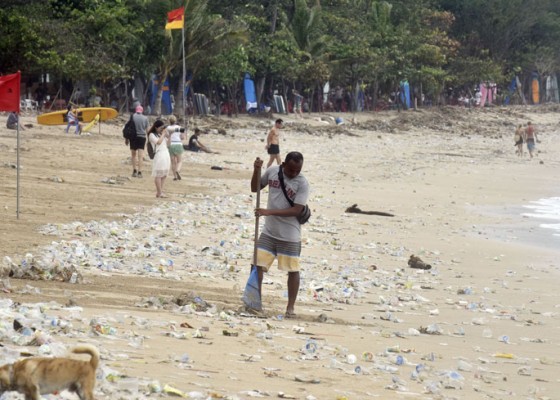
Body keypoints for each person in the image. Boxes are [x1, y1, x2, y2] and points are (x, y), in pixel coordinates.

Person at [251, 151, 310, 318]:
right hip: (269, 232)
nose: (293, 174)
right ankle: (256, 301)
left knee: (292, 270)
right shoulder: (272, 172)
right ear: (283, 164)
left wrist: (269, 212)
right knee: (256, 265)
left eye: (297, 170)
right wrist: (256, 170)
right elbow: (255, 188)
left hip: (290, 234)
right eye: (290, 170)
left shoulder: (302, 183)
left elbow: (296, 210)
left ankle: (290, 308)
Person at [148, 120, 171, 198]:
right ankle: (159, 192)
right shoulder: (151, 135)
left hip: (166, 154)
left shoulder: (161, 134)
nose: (162, 129)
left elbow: (168, 144)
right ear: (156, 127)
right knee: (158, 174)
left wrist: (169, 135)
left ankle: (160, 191)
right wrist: (163, 134)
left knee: (164, 174)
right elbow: (158, 142)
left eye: (162, 128)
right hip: (159, 154)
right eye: (160, 128)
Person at [126, 105, 148, 177]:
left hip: (133, 137)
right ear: (142, 111)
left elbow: (128, 128)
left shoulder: (132, 117)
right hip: (142, 137)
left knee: (133, 155)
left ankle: (134, 170)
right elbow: (147, 130)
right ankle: (140, 172)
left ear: (136, 110)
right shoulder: (145, 118)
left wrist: (127, 139)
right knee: (140, 156)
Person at [166, 115, 185, 180]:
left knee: (173, 161)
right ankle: (178, 170)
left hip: (171, 144)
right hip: (178, 144)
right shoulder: (180, 128)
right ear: (175, 121)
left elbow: (167, 136)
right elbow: (182, 137)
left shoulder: (167, 128)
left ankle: (175, 176)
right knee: (179, 161)